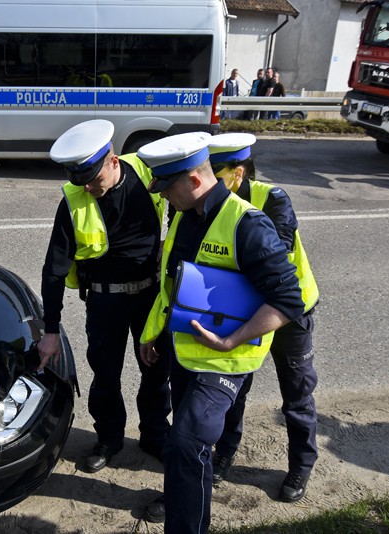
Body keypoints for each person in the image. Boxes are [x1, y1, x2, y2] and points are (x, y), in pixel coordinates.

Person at [136, 132, 304, 532]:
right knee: (189, 450)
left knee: (186, 443)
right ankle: (191, 506)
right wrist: (154, 334)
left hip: (226, 359)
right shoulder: (183, 215)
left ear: (194, 181)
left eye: (166, 187)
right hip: (185, 353)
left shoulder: (248, 223)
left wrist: (232, 339)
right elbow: (174, 286)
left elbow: (288, 300)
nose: (162, 196)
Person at [37, 119, 171, 473]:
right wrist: (50, 330)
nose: (90, 189)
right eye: (81, 182)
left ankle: (155, 435)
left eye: (95, 180)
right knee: (106, 375)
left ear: (113, 160)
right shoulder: (73, 201)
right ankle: (109, 438)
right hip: (105, 301)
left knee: (157, 371)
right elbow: (53, 270)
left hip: (150, 297)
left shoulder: (147, 171)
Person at [207, 133, 319, 504]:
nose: (207, 178)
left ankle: (300, 464)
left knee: (297, 394)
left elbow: (277, 255)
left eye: (215, 171)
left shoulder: (274, 199)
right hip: (245, 307)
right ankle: (224, 453)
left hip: (289, 311)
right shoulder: (211, 202)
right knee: (234, 387)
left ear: (238, 173)